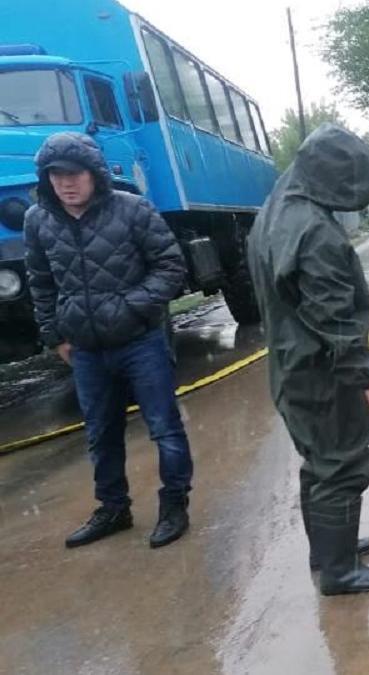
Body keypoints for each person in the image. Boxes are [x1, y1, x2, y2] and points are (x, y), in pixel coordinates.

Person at [247, 123, 369, 596]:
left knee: (318, 461)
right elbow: (333, 317)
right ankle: (339, 571)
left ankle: (330, 549)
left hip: (293, 366)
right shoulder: (312, 231)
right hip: (320, 372)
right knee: (340, 462)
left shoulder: (277, 209)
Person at [24, 132, 193, 549]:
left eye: (74, 173)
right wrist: (54, 335)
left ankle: (174, 505)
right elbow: (41, 283)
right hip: (86, 351)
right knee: (100, 434)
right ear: (47, 179)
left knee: (164, 430)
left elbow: (171, 267)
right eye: (57, 175)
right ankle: (113, 508)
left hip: (141, 342)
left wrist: (130, 307)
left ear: (94, 174)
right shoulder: (38, 220)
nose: (67, 183)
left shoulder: (132, 210)